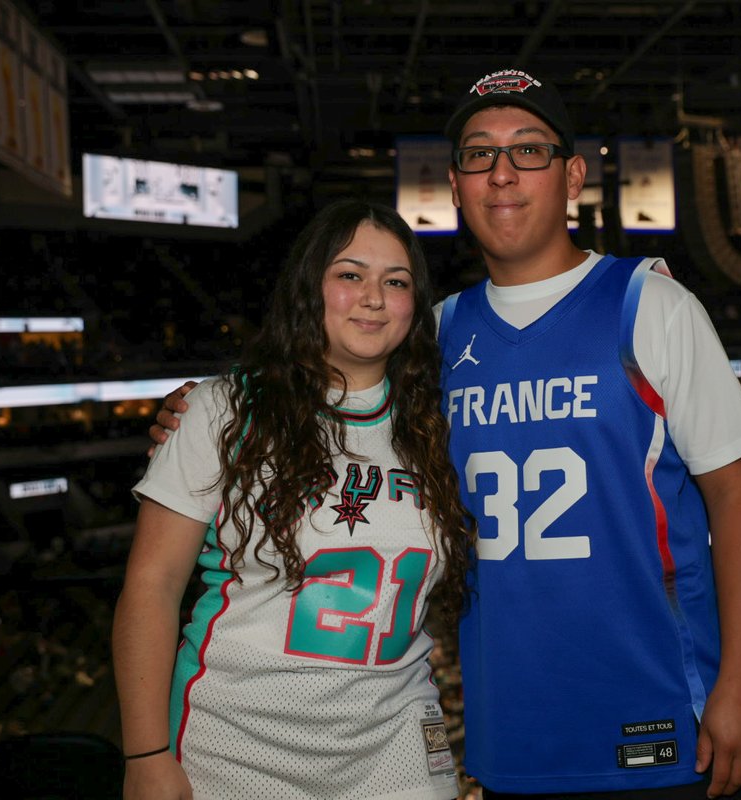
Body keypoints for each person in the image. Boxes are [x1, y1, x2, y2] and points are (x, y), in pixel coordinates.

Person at [152, 68, 741, 799]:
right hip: (512, 731)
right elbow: (322, 389)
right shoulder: (435, 335)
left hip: (660, 714)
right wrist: (204, 406)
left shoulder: (653, 305)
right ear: (454, 184)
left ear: (573, 176)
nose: (502, 173)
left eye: (529, 150)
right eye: (480, 155)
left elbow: (737, 497)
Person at [115, 199, 474, 800]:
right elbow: (152, 586)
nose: (374, 298)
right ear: (309, 287)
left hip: (396, 742)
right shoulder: (222, 410)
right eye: (350, 275)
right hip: (232, 742)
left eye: (396, 282)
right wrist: (146, 754)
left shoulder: (443, 424)